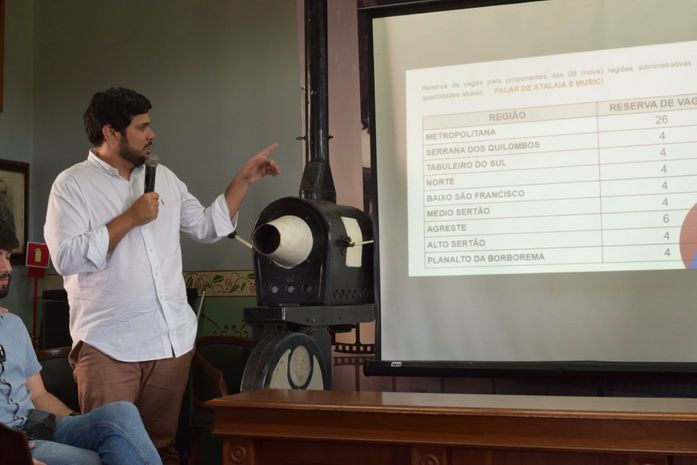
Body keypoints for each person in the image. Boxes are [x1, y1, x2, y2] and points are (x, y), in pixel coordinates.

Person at [43, 87, 280, 464]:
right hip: (108, 345)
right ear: (110, 132)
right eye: (142, 127)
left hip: (170, 343)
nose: (151, 134)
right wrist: (130, 218)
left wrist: (243, 180)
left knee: (161, 451)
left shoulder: (164, 177)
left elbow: (206, 226)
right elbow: (66, 258)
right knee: (109, 453)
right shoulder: (72, 184)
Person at [0, 220, 161, 465]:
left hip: (36, 427)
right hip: (10, 445)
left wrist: (80, 423)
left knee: (121, 414)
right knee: (93, 460)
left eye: (8, 256)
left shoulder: (13, 325)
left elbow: (39, 394)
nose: (7, 267)